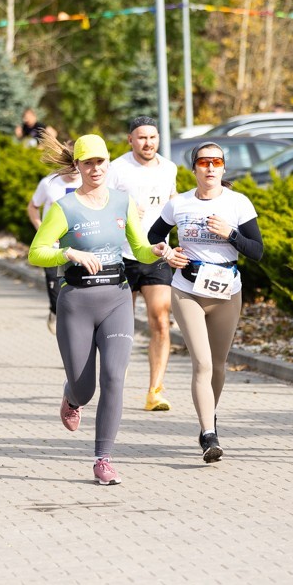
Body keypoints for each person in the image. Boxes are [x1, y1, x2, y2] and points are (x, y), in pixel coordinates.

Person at [28, 133, 174, 485]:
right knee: (85, 389)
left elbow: (139, 248)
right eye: (88, 163)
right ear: (77, 166)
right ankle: (71, 397)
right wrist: (68, 253)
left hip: (117, 298)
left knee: (113, 377)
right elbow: (36, 252)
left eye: (101, 162)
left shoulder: (123, 201)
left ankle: (103, 459)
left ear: (109, 163)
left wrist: (156, 251)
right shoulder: (64, 207)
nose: (95, 169)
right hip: (76, 302)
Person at [147, 142, 264, 463]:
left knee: (218, 365)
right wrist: (166, 253)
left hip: (227, 292)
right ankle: (209, 434)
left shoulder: (238, 203)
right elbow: (154, 237)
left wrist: (231, 234)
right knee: (202, 363)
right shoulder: (179, 204)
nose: (210, 167)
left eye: (216, 162)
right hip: (187, 290)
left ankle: (208, 417)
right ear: (194, 169)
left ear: (223, 168)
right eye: (203, 162)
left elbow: (257, 251)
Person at [106, 116, 179, 411]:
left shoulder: (169, 168)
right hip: (122, 255)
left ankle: (155, 392)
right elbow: (100, 202)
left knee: (160, 320)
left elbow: (172, 200)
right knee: (121, 326)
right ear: (130, 140)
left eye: (152, 137)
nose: (148, 143)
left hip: (157, 254)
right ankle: (115, 385)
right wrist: (120, 212)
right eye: (141, 137)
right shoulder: (117, 169)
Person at [28, 167, 81, 332]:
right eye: (70, 166)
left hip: (78, 246)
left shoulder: (87, 182)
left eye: (77, 166)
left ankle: (75, 325)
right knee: (55, 285)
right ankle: (54, 311)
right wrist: (42, 230)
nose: (75, 170)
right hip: (52, 247)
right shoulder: (48, 183)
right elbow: (33, 207)